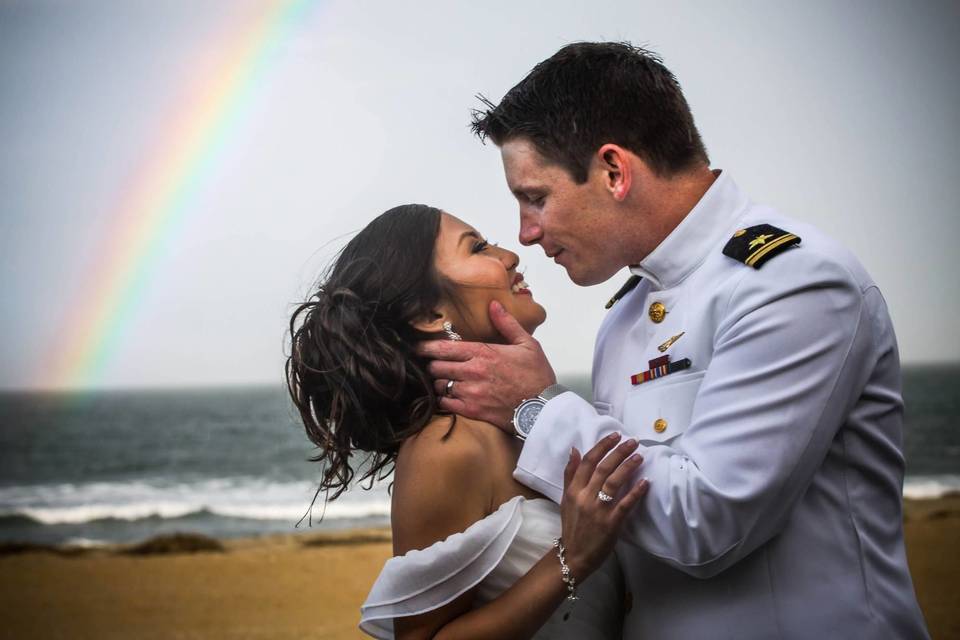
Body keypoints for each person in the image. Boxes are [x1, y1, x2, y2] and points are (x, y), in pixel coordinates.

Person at [419, 42, 930, 638]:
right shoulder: (626, 312)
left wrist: (536, 408)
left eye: (536, 198)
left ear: (614, 171)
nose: (527, 234)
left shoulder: (793, 281)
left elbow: (707, 525)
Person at [286, 204, 649, 639]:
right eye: (478, 247)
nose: (509, 255)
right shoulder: (447, 444)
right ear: (430, 316)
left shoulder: (520, 425)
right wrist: (571, 559)